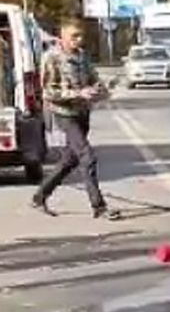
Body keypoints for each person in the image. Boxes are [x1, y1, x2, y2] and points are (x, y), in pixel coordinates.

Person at [32, 20, 119, 219]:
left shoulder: (82, 56)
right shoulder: (51, 57)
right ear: (62, 36)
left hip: (82, 113)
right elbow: (48, 91)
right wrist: (78, 93)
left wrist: (100, 89)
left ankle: (39, 196)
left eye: (80, 36)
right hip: (64, 113)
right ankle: (99, 206)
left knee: (70, 160)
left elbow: (93, 78)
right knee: (87, 157)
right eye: (74, 36)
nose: (78, 40)